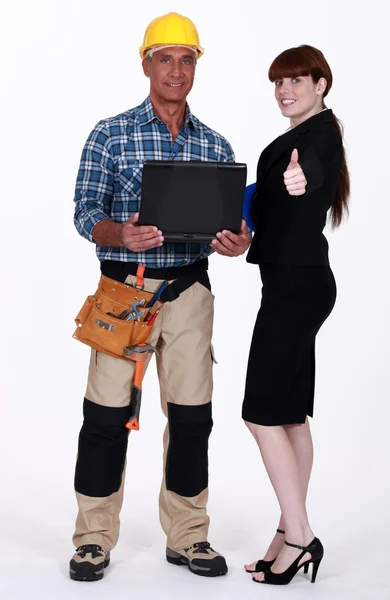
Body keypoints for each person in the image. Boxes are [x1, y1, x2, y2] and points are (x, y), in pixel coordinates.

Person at [70, 12, 251, 582]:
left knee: (194, 417)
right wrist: (119, 232)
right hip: (124, 291)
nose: (177, 70)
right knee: (105, 416)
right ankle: (93, 539)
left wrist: (236, 242)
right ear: (145, 63)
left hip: (191, 290)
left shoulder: (215, 143)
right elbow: (85, 215)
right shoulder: (111, 133)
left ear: (197, 66)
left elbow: (232, 227)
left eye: (187, 59)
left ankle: (188, 536)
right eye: (165, 58)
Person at [242, 45, 350, 585]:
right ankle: (288, 532)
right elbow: (263, 202)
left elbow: (306, 172)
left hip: (296, 287)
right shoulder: (294, 139)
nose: (286, 91)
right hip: (296, 282)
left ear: (321, 85)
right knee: (287, 416)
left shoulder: (319, 137)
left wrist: (298, 179)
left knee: (259, 414)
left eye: (297, 81)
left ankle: (302, 537)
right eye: (279, 83)